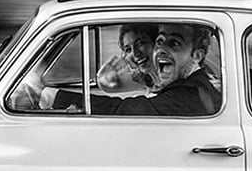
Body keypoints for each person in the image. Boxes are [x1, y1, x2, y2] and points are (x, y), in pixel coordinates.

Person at [46, 23, 221, 116]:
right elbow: (111, 86)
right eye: (160, 41)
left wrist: (50, 97)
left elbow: (124, 109)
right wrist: (102, 79)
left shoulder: (191, 93)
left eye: (174, 43)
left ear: (196, 56)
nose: (162, 49)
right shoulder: (166, 79)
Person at [96, 23, 158, 94]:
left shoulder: (170, 77)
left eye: (140, 43)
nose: (135, 54)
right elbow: (111, 86)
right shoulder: (147, 78)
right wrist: (103, 79)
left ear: (157, 42)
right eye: (128, 49)